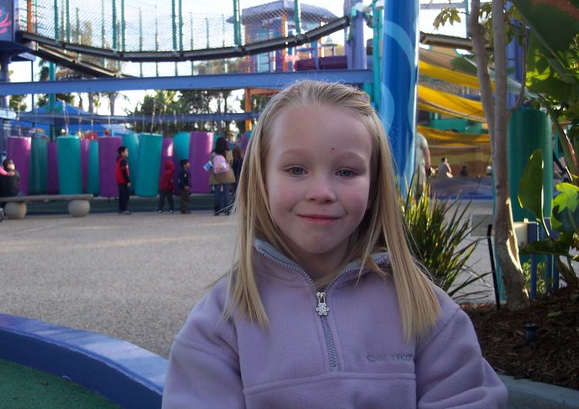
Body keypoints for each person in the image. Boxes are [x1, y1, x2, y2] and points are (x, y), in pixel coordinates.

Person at [162, 81, 507, 408]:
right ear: (261, 181)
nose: (322, 192)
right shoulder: (219, 324)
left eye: (346, 172)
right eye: (296, 169)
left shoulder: (427, 311)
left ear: (374, 188)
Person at [208, 136, 235, 215]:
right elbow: (230, 163)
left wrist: (206, 168)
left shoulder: (213, 153)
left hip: (216, 175)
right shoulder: (228, 152)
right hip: (226, 174)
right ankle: (227, 210)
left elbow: (210, 163)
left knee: (217, 193)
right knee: (226, 193)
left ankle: (217, 210)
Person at [415, 131, 431, 199]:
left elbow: (426, 150)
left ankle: (421, 199)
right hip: (407, 167)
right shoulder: (404, 136)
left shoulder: (420, 137)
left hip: (419, 165)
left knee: (421, 183)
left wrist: (428, 162)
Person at [115, 146, 131, 215]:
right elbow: (124, 171)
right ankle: (124, 209)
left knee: (121, 195)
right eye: (126, 151)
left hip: (119, 181)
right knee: (125, 195)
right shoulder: (123, 161)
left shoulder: (119, 161)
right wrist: (128, 181)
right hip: (123, 181)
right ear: (122, 153)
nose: (128, 152)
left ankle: (121, 209)